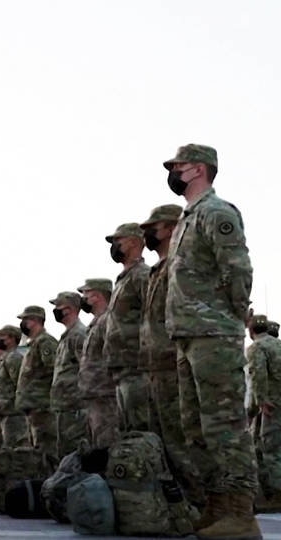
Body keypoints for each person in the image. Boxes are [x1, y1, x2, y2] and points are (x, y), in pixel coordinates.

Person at [163, 143, 258, 537]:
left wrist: (230, 315)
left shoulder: (217, 212)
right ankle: (217, 506)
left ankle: (240, 512)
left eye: (178, 166)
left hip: (213, 332)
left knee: (224, 425)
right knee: (195, 427)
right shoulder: (189, 218)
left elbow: (237, 269)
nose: (173, 172)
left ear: (199, 169)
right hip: (188, 333)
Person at [139, 204, 204, 506]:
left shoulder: (177, 265)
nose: (147, 234)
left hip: (170, 363)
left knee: (180, 440)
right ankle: (181, 506)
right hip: (153, 366)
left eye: (152, 227)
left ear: (168, 228)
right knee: (161, 441)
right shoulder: (157, 270)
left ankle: (199, 501)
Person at [103, 223, 150, 433]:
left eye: (117, 241)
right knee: (127, 428)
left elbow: (154, 315)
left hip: (136, 365)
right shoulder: (124, 279)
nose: (114, 247)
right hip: (122, 367)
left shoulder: (142, 275)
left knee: (140, 427)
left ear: (133, 242)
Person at [246, 313, 281, 511]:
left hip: (272, 405)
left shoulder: (256, 347)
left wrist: (260, 402)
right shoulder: (279, 344)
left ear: (251, 331)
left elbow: (258, 375)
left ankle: (276, 495)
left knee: (270, 449)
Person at [76, 278, 118, 447]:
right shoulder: (95, 324)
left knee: (107, 441)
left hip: (105, 392)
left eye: (86, 294)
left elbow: (112, 354)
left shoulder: (108, 321)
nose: (83, 299)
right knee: (97, 442)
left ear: (98, 296)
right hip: (94, 392)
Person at [15, 305, 59, 461]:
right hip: (33, 406)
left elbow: (54, 369)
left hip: (43, 406)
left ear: (35, 320)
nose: (23, 324)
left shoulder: (45, 342)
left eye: (25, 320)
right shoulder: (33, 344)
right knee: (37, 448)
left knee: (46, 449)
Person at [48, 292, 87, 459]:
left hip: (75, 405)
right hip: (65, 405)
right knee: (64, 451)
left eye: (58, 307)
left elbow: (85, 368)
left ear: (69, 309)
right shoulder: (67, 336)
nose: (55, 311)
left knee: (74, 452)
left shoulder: (78, 335)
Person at [0, 325, 28, 449]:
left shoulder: (14, 358)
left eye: (2, 337)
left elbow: (20, 384)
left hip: (11, 413)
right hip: (0, 412)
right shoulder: (3, 358)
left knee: (13, 449)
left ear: (12, 339)